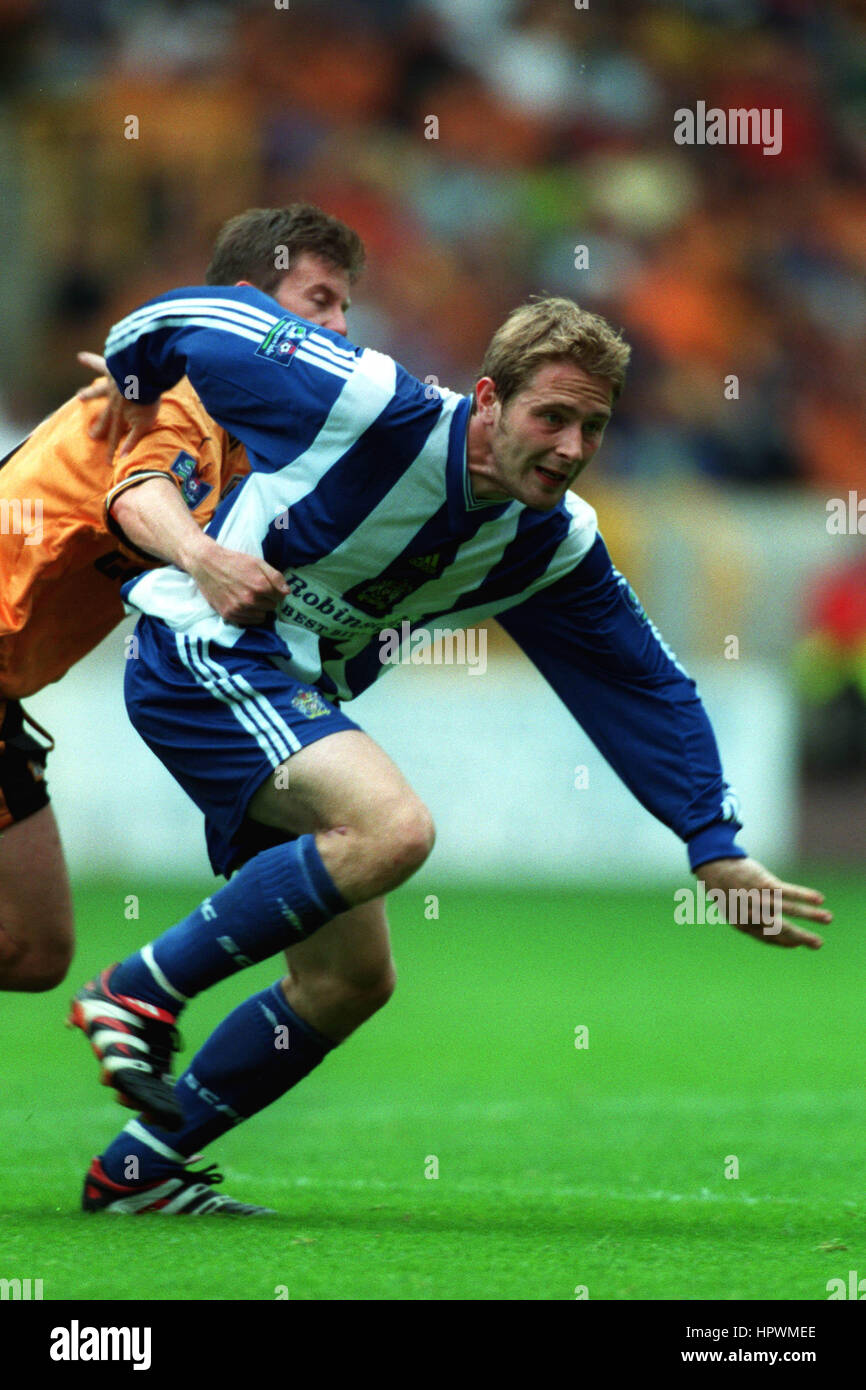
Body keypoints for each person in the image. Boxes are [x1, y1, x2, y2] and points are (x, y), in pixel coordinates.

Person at [69, 285, 831, 1216]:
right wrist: (136, 369)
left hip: (288, 697)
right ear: (487, 399)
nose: (571, 449)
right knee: (392, 828)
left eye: (592, 427)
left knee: (348, 982)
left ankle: (139, 1172)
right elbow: (202, 321)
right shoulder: (369, 406)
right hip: (204, 652)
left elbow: (643, 683)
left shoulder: (547, 543)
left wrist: (712, 841)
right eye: (551, 417)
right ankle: (136, 992)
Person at [0, 204, 364, 993]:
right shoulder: (183, 391)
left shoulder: (246, 419)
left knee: (32, 951)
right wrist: (203, 558)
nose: (341, 327)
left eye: (345, 307)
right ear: (251, 305)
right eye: (320, 302)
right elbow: (141, 496)